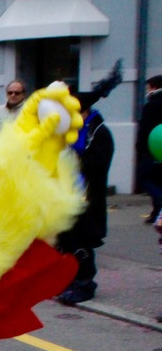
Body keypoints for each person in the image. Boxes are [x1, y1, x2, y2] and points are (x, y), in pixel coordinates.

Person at [55, 90, 115, 305]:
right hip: (66, 197)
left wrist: (72, 160)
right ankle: (71, 280)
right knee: (66, 241)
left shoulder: (99, 133)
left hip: (87, 199)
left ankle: (85, 284)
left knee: (82, 242)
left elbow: (98, 166)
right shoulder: (71, 131)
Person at [136, 75, 162, 223]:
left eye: (148, 87)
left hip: (151, 149)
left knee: (145, 178)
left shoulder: (151, 106)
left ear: (153, 87)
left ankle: (159, 206)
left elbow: (144, 129)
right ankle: (156, 213)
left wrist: (140, 148)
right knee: (158, 180)